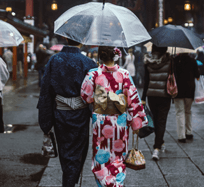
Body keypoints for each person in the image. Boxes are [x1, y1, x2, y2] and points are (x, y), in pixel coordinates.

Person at [81, 46, 147, 187]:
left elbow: (86, 97)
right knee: (118, 157)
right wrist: (136, 123)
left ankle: (103, 183)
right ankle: (117, 183)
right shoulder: (124, 74)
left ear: (100, 57)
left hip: (100, 121)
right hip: (120, 121)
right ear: (115, 56)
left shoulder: (93, 74)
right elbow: (133, 99)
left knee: (101, 155)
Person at [37, 38, 97, 187]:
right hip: (80, 114)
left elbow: (46, 90)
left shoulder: (54, 60)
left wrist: (45, 121)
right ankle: (69, 181)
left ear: (65, 40)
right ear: (81, 42)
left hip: (60, 113)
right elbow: (96, 92)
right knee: (77, 151)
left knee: (65, 151)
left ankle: (68, 179)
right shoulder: (88, 63)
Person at [141, 44, 171, 161]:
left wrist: (143, 98)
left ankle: (160, 141)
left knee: (156, 119)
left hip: (151, 95)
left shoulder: (148, 61)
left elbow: (146, 81)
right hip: (165, 95)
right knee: (161, 121)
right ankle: (157, 147)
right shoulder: (169, 61)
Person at [173, 53, 200, 143]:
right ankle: (189, 132)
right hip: (190, 90)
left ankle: (181, 136)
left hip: (178, 91)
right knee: (188, 111)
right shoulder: (192, 61)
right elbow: (197, 75)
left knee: (180, 112)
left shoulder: (175, 61)